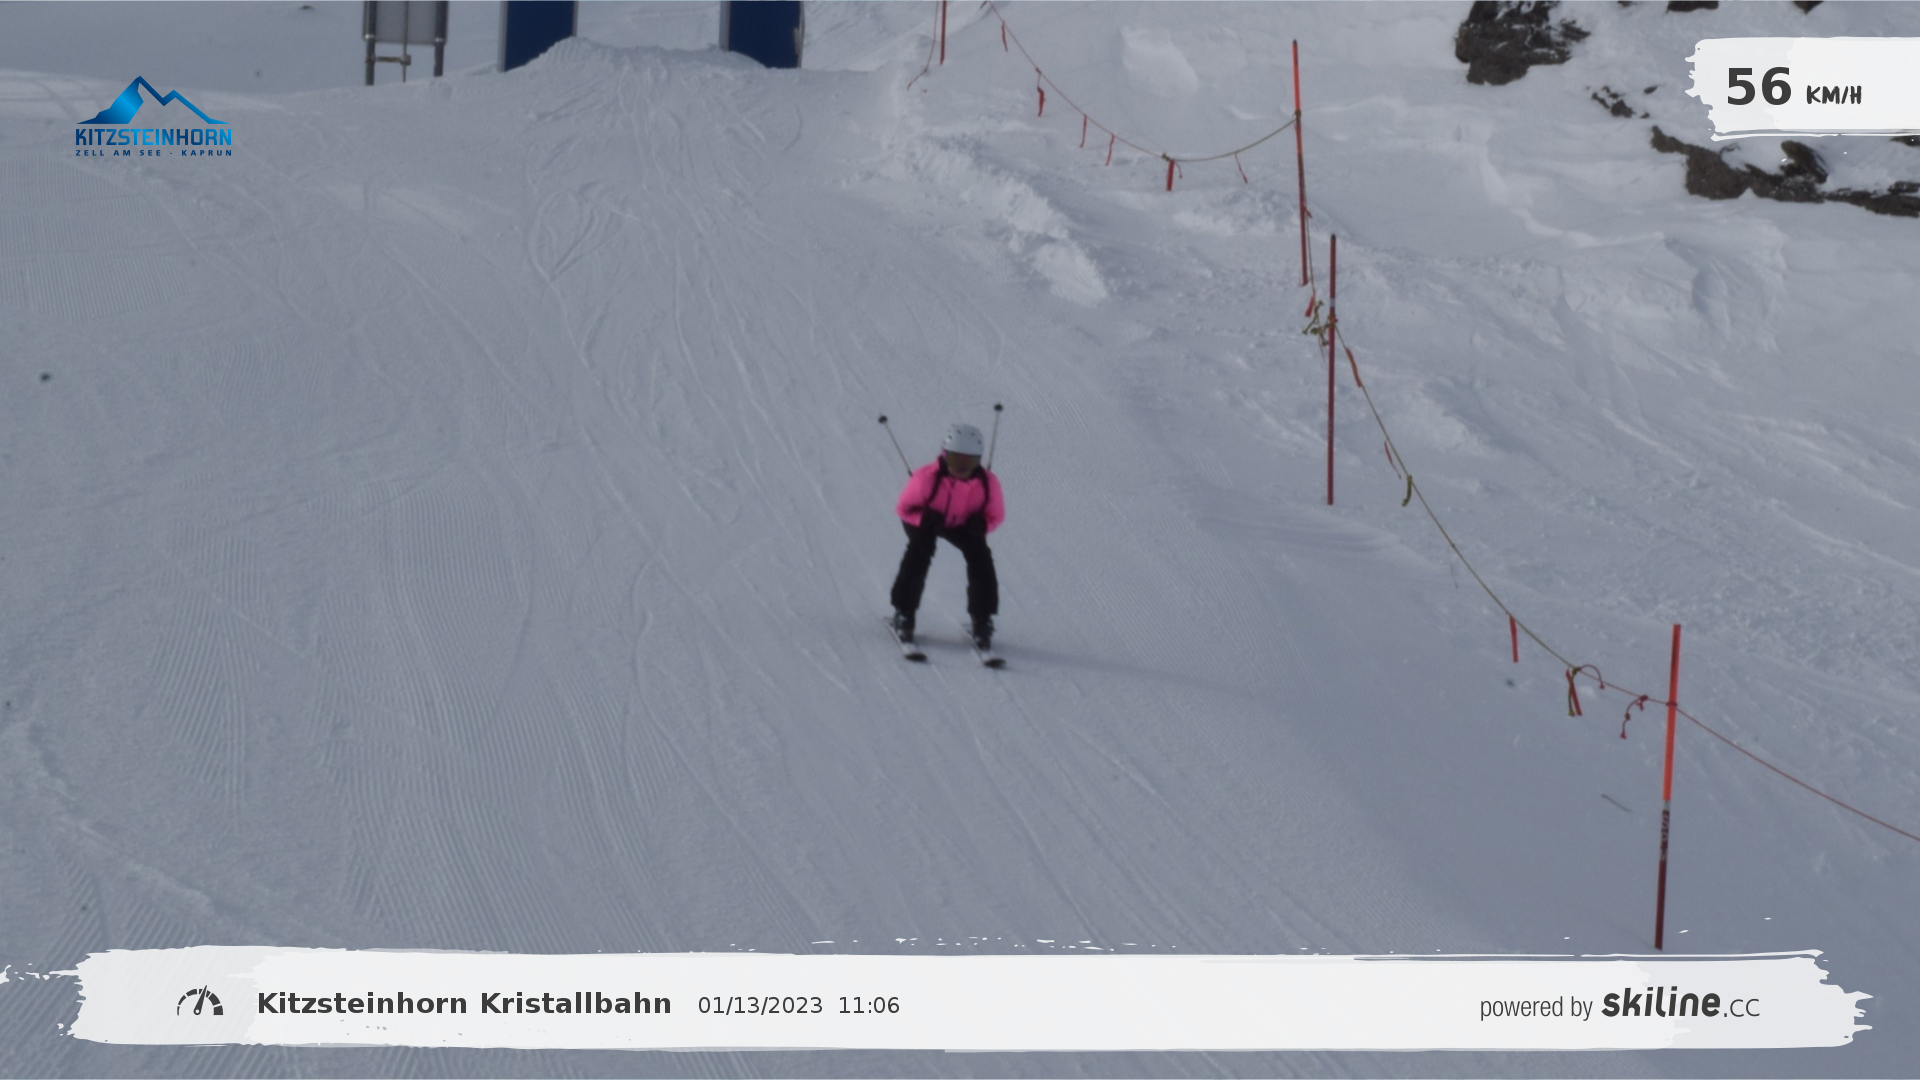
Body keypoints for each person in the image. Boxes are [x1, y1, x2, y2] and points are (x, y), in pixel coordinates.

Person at [888, 422, 1005, 649]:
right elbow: (903, 509)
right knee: (920, 551)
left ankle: (982, 619)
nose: (961, 468)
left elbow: (996, 515)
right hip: (926, 520)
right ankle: (904, 613)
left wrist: (981, 525)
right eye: (955, 460)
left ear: (979, 461)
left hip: (964, 524)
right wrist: (923, 519)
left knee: (980, 556)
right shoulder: (926, 479)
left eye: (969, 462)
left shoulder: (987, 484)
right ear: (944, 455)